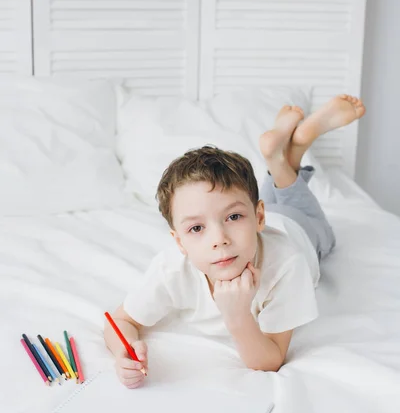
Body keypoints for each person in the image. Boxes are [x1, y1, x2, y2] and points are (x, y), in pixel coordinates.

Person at [104, 94, 366, 388]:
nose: (219, 240)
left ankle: (284, 156)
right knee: (258, 195)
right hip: (261, 215)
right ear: (178, 242)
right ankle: (284, 154)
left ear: (258, 218)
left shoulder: (288, 262)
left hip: (298, 227)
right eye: (196, 228)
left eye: (232, 218)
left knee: (321, 231)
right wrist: (124, 352)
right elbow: (121, 322)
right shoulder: (172, 267)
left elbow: (269, 360)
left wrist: (237, 314)